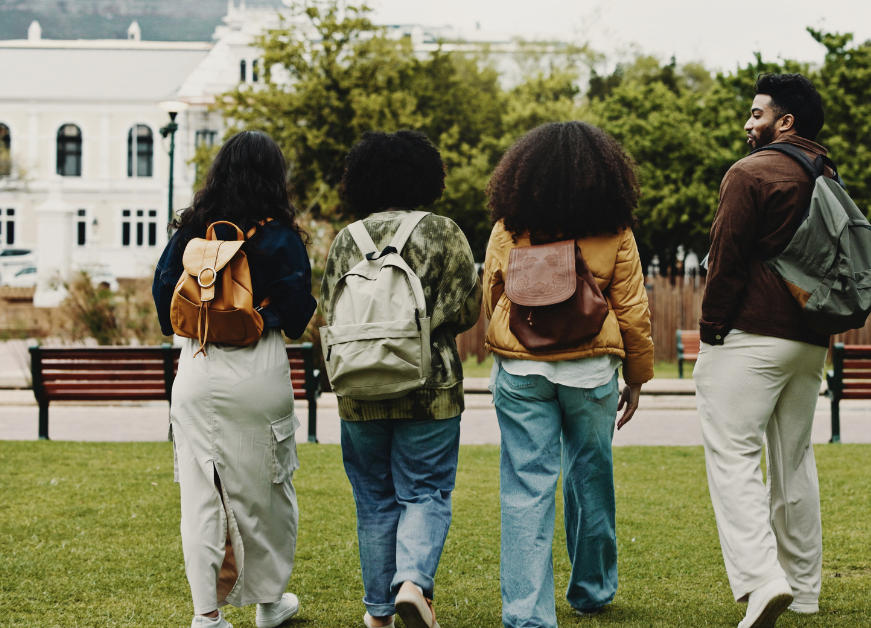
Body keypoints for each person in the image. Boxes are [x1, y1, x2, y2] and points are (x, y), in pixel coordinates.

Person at [482, 121, 654, 628]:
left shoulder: (510, 226)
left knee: (525, 486)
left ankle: (527, 615)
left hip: (520, 368)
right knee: (591, 475)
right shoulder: (615, 230)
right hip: (590, 370)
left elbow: (493, 295)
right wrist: (638, 378)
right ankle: (592, 589)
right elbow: (632, 309)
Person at [153, 130, 317, 628]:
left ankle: (208, 614)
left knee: (203, 495)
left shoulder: (192, 233)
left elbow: (165, 303)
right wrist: (260, 314)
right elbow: (295, 312)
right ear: (274, 177)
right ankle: (270, 602)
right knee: (270, 487)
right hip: (256, 366)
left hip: (198, 366)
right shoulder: (280, 236)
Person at [320, 130, 482, 628]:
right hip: (429, 387)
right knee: (426, 491)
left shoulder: (349, 239)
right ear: (426, 176)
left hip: (359, 390)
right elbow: (468, 309)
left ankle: (378, 614)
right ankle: (413, 584)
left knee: (373, 500)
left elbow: (328, 310)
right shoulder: (443, 232)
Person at [694, 73, 833, 628]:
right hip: (809, 342)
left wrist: (709, 330)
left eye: (757, 114)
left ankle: (760, 580)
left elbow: (725, 260)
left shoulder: (749, 173)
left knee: (733, 459)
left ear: (785, 122)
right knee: (794, 462)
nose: (748, 124)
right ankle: (803, 590)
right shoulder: (825, 173)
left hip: (750, 337)